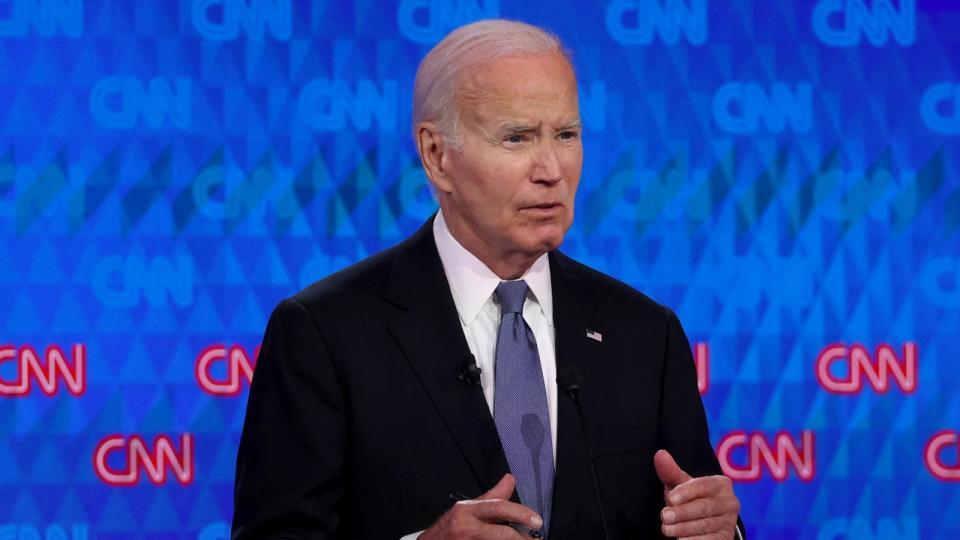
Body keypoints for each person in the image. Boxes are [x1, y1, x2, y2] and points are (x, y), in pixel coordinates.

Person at [233, 19, 743, 540]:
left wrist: (724, 531)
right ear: (436, 156)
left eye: (566, 135)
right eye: (517, 138)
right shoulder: (325, 334)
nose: (551, 169)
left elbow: (698, 514)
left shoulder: (644, 334)